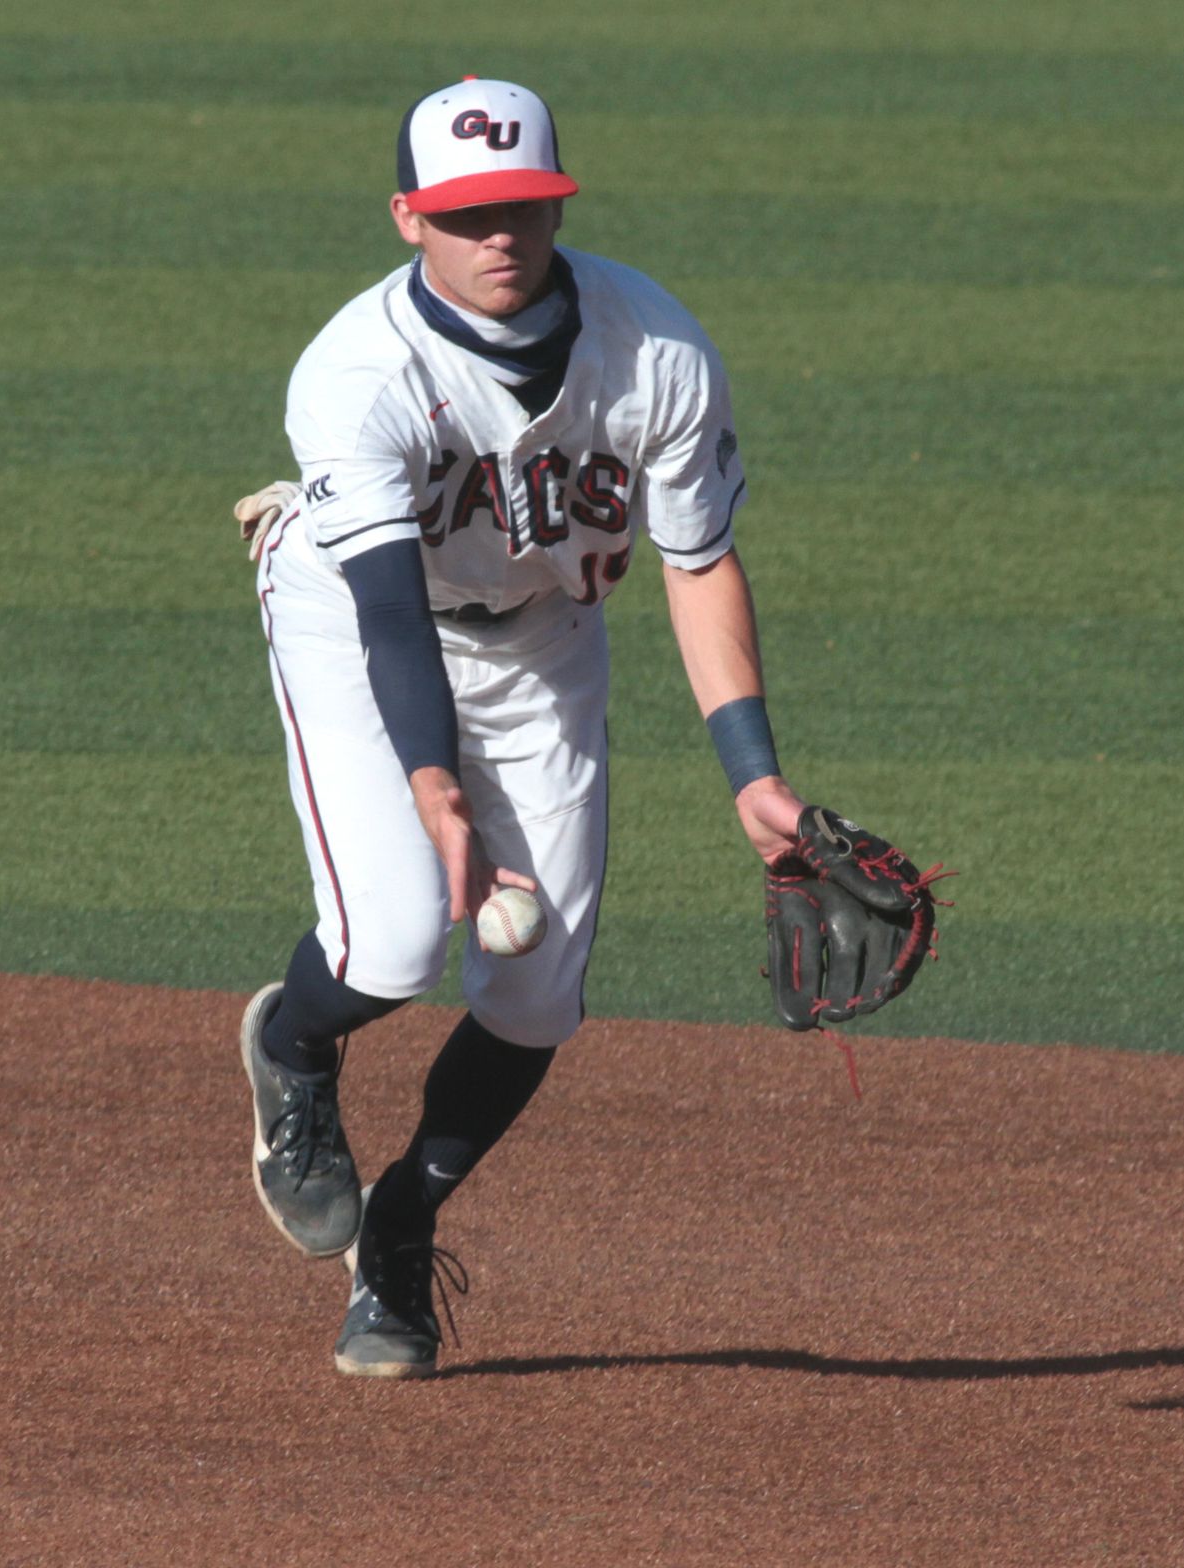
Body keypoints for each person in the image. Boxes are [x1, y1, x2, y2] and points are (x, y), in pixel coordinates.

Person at [233, 76, 819, 1378]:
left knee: (537, 998)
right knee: (392, 940)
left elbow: (699, 561)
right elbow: (388, 609)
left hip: (545, 639)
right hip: (355, 622)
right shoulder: (359, 372)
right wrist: (435, 785)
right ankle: (294, 1043)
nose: (500, 236)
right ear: (408, 217)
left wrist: (751, 776)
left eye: (525, 209)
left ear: (559, 208)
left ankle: (399, 1231)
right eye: (467, 213)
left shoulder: (654, 350)